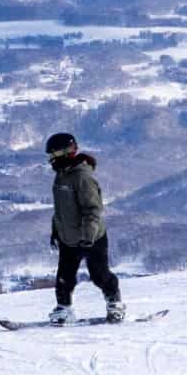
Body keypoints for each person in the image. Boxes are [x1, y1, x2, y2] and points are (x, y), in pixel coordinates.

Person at [45, 132, 125, 324]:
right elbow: (61, 210)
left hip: (93, 238)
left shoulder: (82, 177)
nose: (51, 159)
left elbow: (93, 210)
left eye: (53, 154)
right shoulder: (61, 176)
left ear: (65, 152)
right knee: (64, 277)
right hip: (68, 238)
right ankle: (64, 309)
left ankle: (115, 303)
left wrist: (88, 237)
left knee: (99, 275)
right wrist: (56, 230)